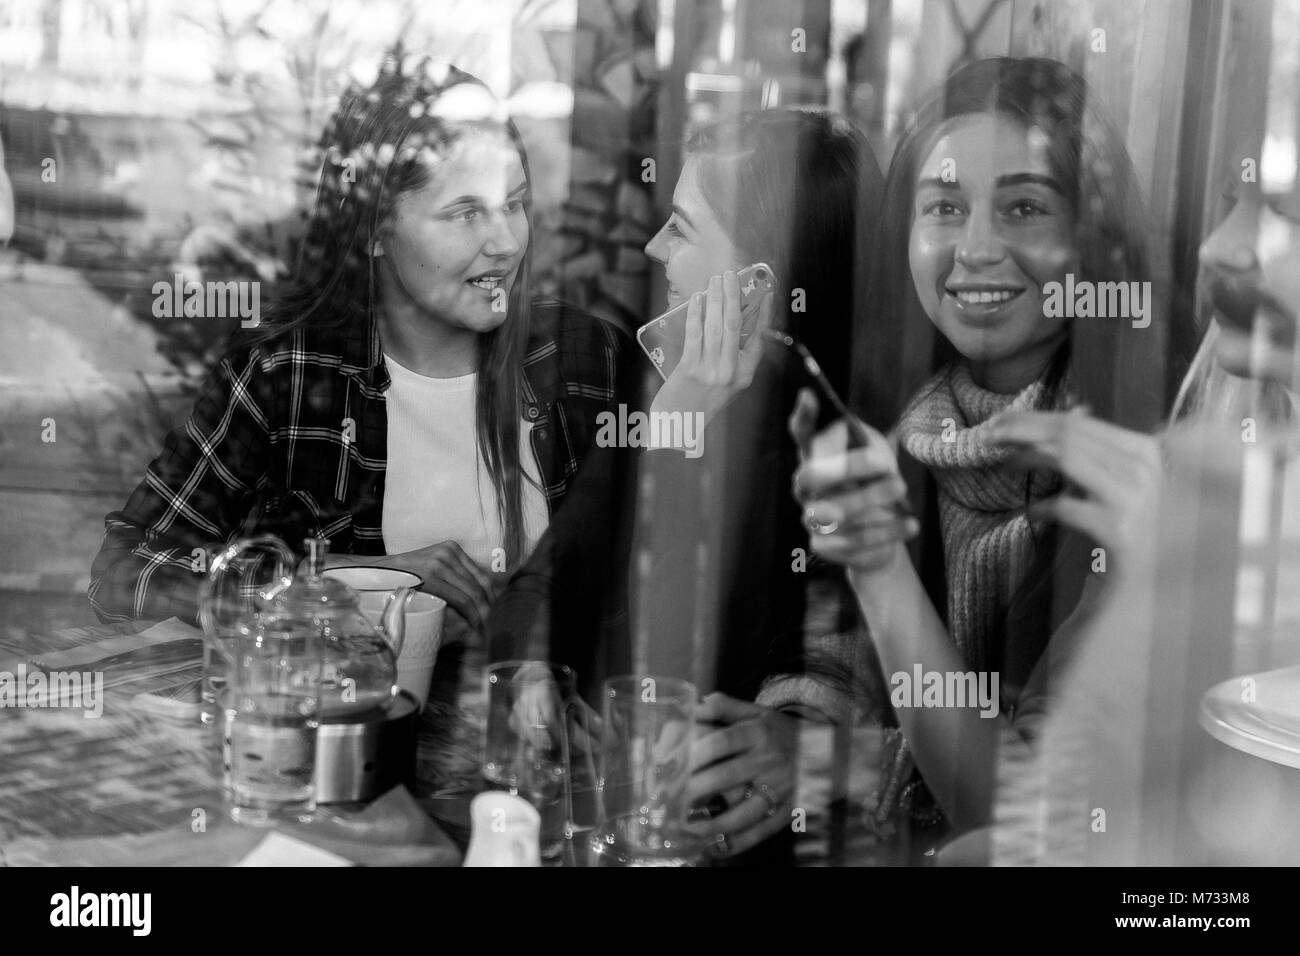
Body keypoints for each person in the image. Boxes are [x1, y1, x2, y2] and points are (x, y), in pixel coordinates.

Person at [787, 57, 1197, 848]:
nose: (975, 248)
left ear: (1091, 239)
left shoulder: (1137, 462)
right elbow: (828, 655)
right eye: (943, 206)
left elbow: (1017, 817)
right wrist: (800, 728)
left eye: (1023, 207)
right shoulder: (888, 418)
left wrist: (879, 563)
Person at [88, 52, 628, 637]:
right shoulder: (286, 376)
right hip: (346, 724)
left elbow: (666, 576)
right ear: (374, 231)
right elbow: (121, 573)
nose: (505, 242)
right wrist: (355, 576)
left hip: (537, 726)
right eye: (466, 212)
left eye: (514, 204)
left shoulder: (585, 360)